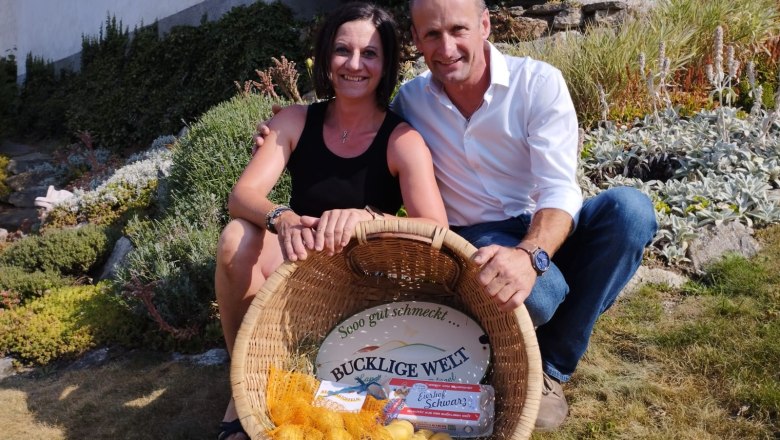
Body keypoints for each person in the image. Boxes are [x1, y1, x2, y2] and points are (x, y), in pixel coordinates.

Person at [256, 0, 658, 431]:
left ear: (484, 25)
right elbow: (361, 129)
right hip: (477, 235)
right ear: (415, 38)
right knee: (541, 296)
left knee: (630, 211)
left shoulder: (537, 83)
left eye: (458, 30)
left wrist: (530, 255)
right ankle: (547, 317)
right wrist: (285, 131)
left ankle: (551, 368)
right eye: (431, 34)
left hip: (541, 222)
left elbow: (559, 189)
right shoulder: (411, 103)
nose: (446, 47)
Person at [215, 3, 448, 439]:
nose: (354, 64)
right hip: (297, 265)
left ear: (388, 63)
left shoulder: (403, 140)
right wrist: (282, 218)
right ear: (325, 57)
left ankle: (307, 385)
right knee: (235, 238)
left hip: (361, 282)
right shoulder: (295, 120)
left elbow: (437, 229)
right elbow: (242, 195)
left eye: (370, 54)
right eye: (343, 50)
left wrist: (369, 218)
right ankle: (243, 386)